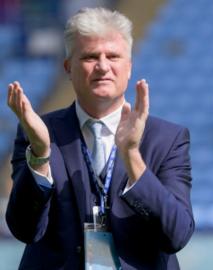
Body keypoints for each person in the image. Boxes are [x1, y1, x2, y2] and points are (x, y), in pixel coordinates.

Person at [5, 7, 194, 269]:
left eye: (113, 56)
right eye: (90, 56)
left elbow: (177, 234)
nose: (103, 66)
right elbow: (24, 230)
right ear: (68, 67)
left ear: (129, 67)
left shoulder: (168, 139)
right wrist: (40, 154)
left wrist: (131, 156)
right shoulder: (37, 132)